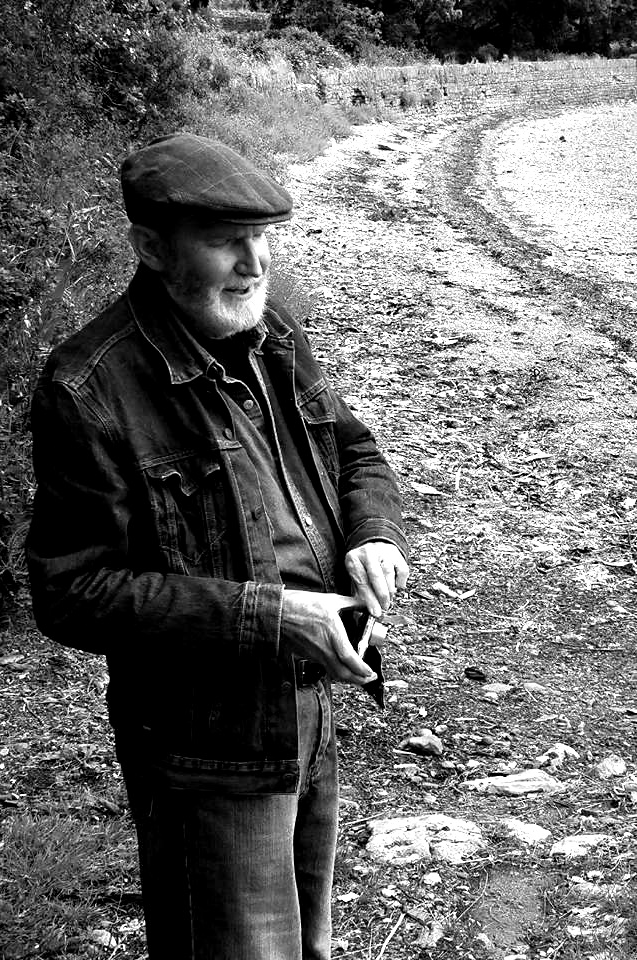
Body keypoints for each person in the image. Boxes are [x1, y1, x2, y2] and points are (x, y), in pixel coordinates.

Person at [26, 132, 409, 960]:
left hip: (309, 704)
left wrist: (371, 535)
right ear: (151, 248)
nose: (254, 263)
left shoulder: (274, 333)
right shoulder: (89, 387)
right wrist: (273, 617)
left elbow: (353, 449)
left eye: (263, 236)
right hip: (204, 747)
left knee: (308, 945)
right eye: (224, 241)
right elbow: (70, 591)